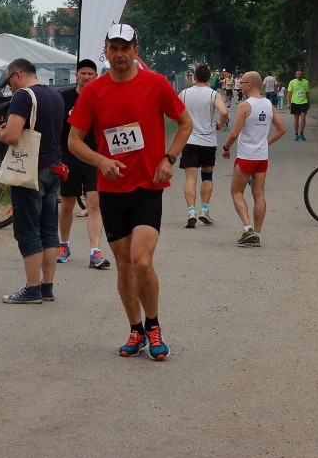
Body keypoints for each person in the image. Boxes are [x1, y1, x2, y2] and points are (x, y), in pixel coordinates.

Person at [68, 24, 193, 361]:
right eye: (114, 48)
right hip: (112, 190)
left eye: (126, 48)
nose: (120, 55)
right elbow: (74, 141)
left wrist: (169, 158)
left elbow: (185, 123)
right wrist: (101, 161)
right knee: (123, 266)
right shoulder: (94, 91)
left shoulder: (156, 84)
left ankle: (153, 326)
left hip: (148, 186)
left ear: (136, 50)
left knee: (141, 261)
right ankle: (135, 329)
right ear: (106, 51)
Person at [0, 58, 65, 304]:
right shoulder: (55, 96)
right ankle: (47, 287)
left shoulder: (23, 96)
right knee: (48, 231)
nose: (10, 87)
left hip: (29, 171)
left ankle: (31, 288)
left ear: (18, 75)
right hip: (53, 170)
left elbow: (12, 136)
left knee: (28, 230)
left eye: (9, 81)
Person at [221, 71, 286, 247]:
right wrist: (266, 143)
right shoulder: (268, 104)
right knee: (259, 194)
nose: (239, 85)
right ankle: (257, 233)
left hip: (246, 156)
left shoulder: (245, 106)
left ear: (249, 85)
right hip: (261, 158)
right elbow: (281, 129)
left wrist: (226, 148)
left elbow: (234, 133)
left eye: (241, 83)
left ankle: (248, 228)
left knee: (236, 192)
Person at [57, 58, 111, 269]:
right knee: (67, 203)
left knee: (94, 202)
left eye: (90, 73)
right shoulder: (65, 98)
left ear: (96, 76)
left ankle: (95, 251)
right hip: (69, 156)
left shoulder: (103, 97)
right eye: (83, 73)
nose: (86, 77)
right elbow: (57, 127)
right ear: (76, 75)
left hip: (95, 156)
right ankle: (64, 244)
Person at [179, 64, 228, 227]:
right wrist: (219, 125)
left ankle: (191, 210)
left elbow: (173, 112)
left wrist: (181, 124)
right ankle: (204, 209)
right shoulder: (213, 94)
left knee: (190, 179)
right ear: (209, 79)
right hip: (208, 141)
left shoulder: (184, 94)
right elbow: (224, 112)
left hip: (190, 140)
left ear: (194, 77)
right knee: (207, 176)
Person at [286, 68, 310, 141]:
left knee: (303, 118)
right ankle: (296, 134)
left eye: (300, 74)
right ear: (295, 75)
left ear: (302, 74)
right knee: (296, 119)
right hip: (295, 102)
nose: (299, 75)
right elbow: (289, 94)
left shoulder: (306, 82)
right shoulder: (292, 82)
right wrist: (288, 103)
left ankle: (301, 133)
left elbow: (307, 93)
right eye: (297, 74)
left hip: (304, 102)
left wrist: (308, 102)